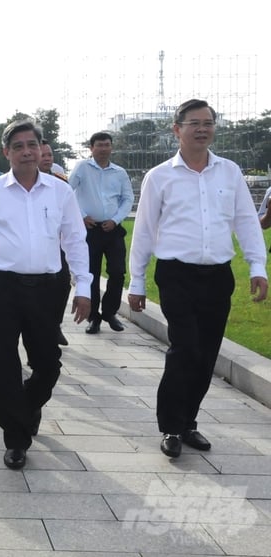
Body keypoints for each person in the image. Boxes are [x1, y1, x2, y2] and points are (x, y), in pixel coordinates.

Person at [128, 99, 268, 458]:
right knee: (185, 348)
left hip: (218, 276)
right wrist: (137, 281)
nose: (202, 129)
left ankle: (188, 421)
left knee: (206, 354)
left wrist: (257, 266)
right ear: (177, 129)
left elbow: (246, 222)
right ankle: (171, 426)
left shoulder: (230, 172)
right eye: (194, 123)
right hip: (176, 274)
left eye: (208, 122)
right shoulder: (160, 176)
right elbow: (143, 231)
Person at [0, 120, 92, 470]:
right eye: (17, 146)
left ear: (41, 149)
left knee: (48, 364)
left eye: (31, 145)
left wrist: (84, 286)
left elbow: (75, 241)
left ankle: (26, 404)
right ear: (6, 152)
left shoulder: (60, 191)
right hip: (4, 288)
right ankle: (16, 439)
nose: (25, 151)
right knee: (4, 365)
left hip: (48, 289)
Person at [69, 131, 134, 334]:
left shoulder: (119, 172)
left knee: (117, 272)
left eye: (107, 145)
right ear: (91, 148)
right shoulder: (82, 168)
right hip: (90, 230)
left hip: (112, 229)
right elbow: (67, 191)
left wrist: (115, 220)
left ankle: (109, 312)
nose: (104, 148)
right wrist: (81, 215)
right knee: (92, 275)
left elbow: (127, 199)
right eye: (99, 145)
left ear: (111, 147)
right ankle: (93, 318)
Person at [39, 139, 72, 346]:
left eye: (50, 155)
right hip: (32, 247)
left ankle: (55, 324)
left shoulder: (61, 183)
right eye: (44, 155)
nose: (47, 159)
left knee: (62, 284)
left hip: (57, 244)